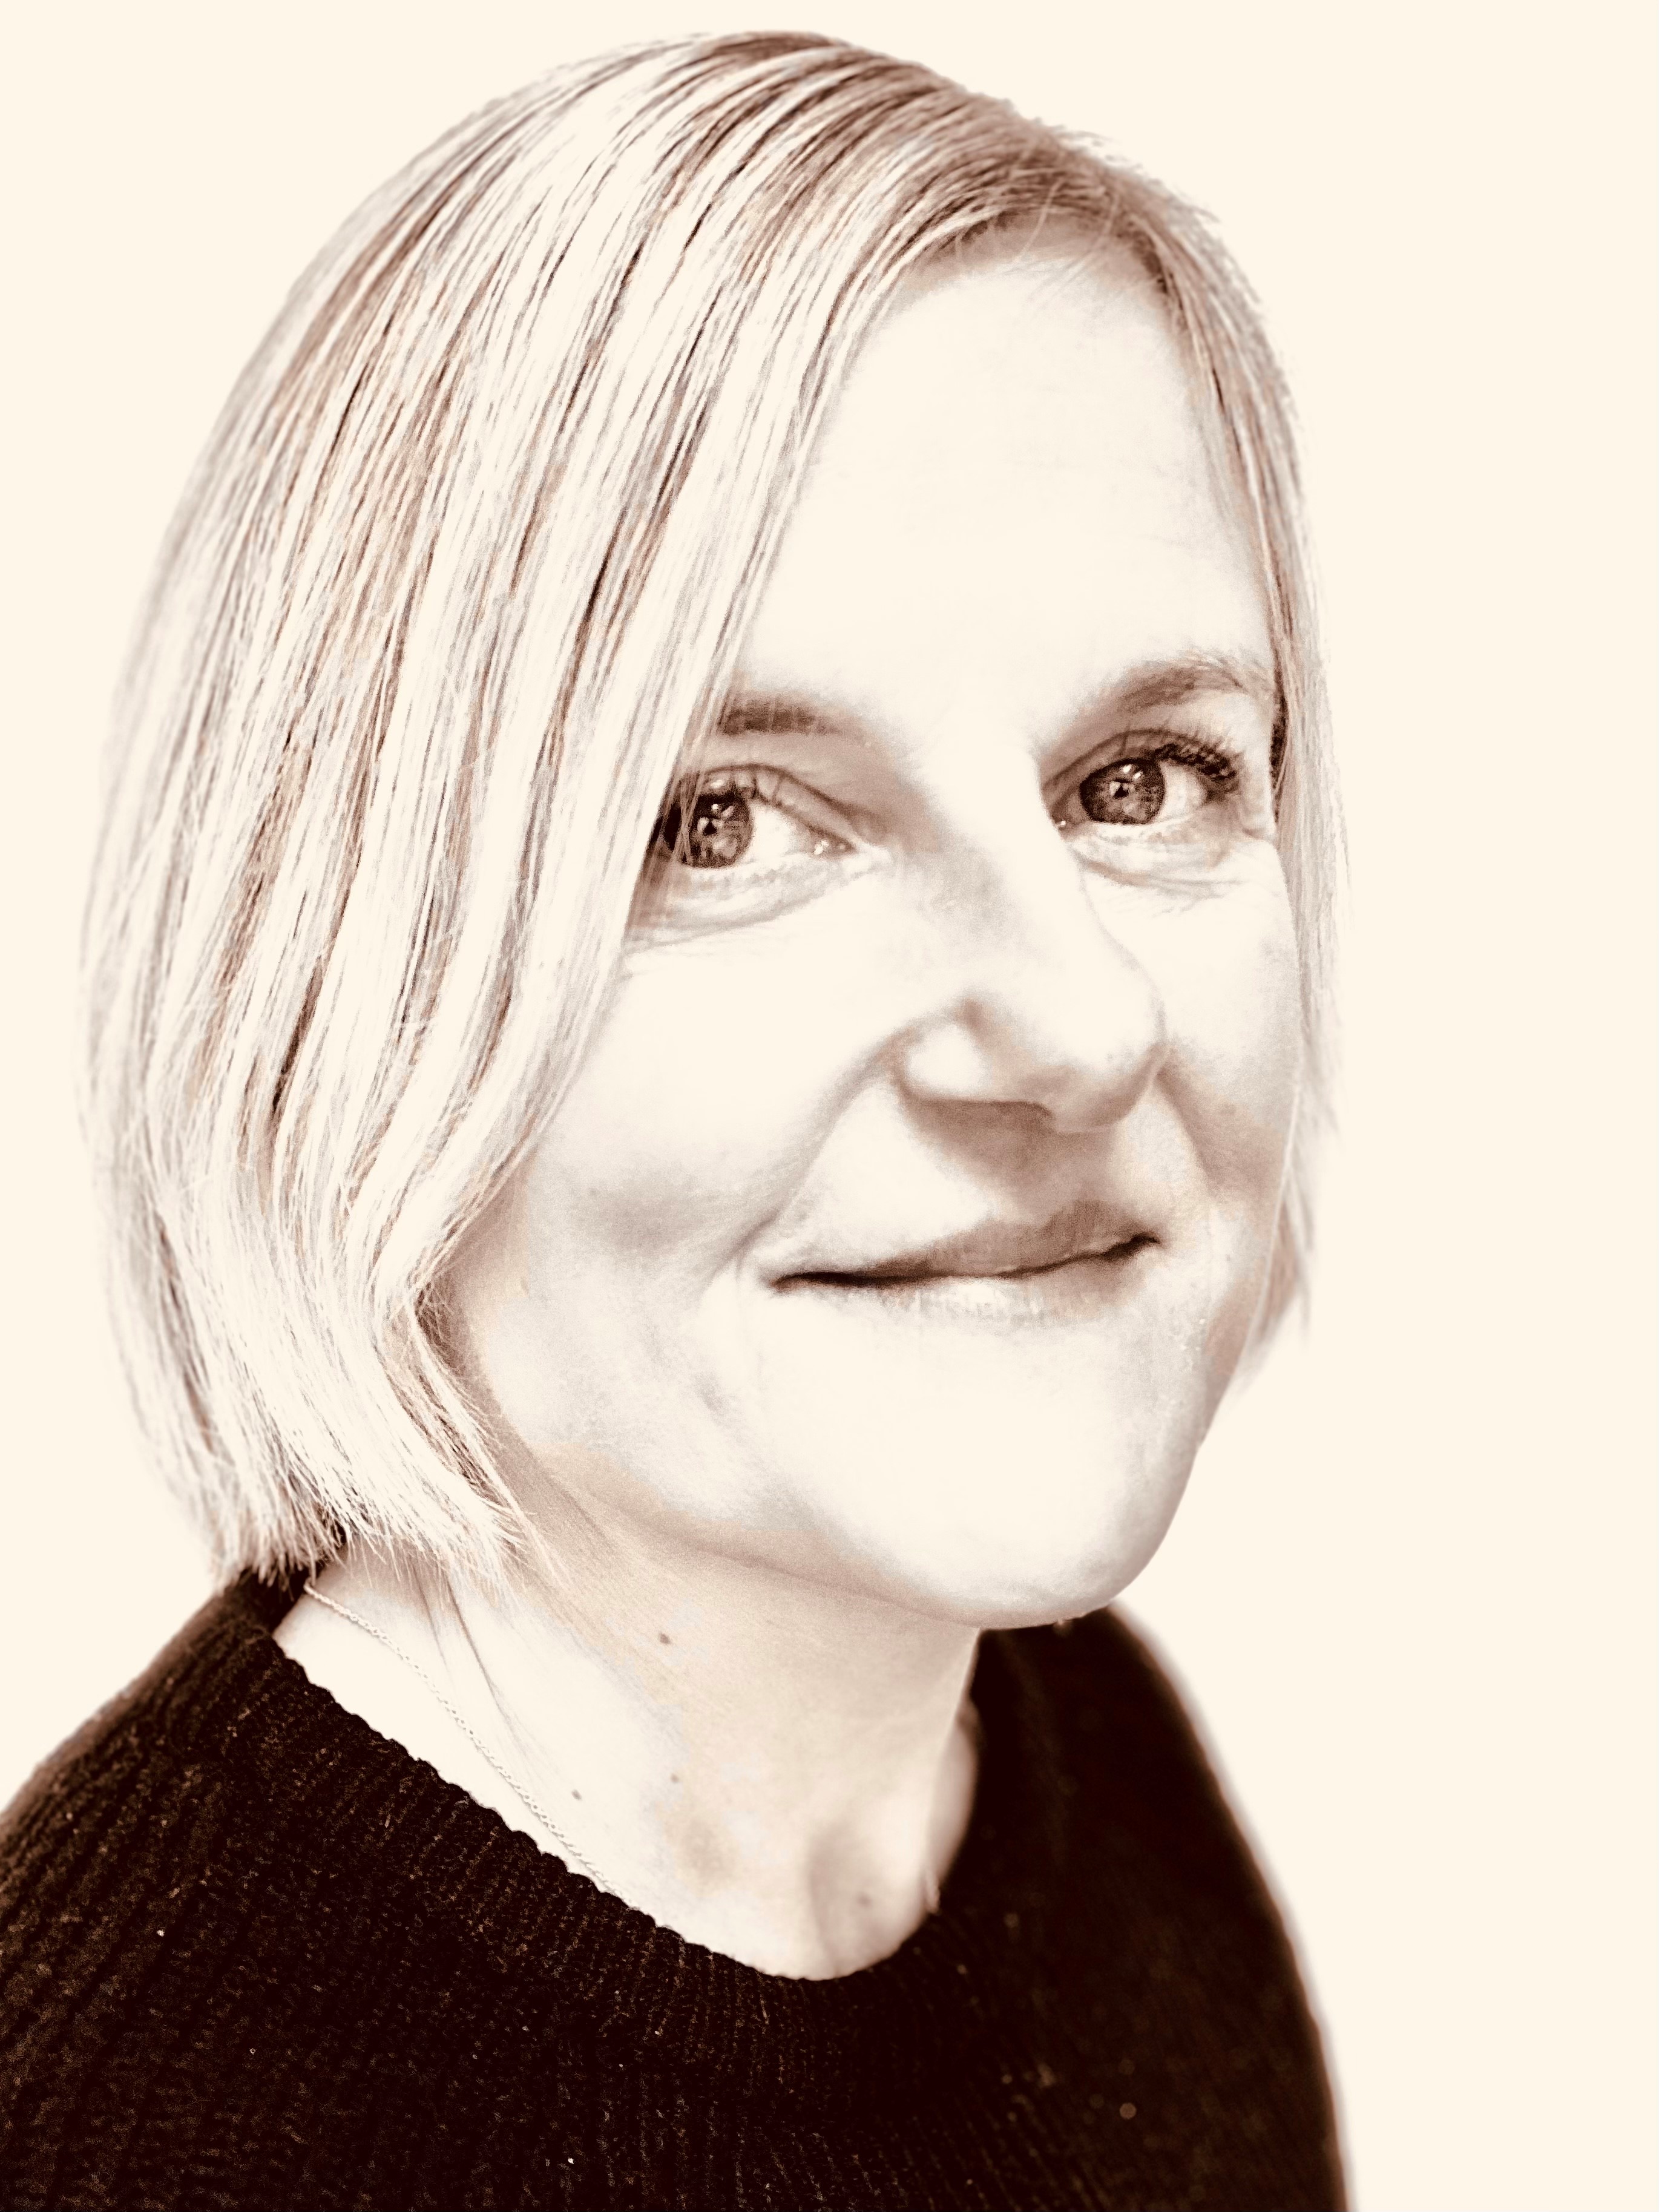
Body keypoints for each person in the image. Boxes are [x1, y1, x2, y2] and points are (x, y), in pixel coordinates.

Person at [0, 31, 1344, 2211]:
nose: (1081, 1024)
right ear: (336, 977)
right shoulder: (132, 2143)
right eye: (724, 822)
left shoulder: (1090, 1778)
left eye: (1142, 780)